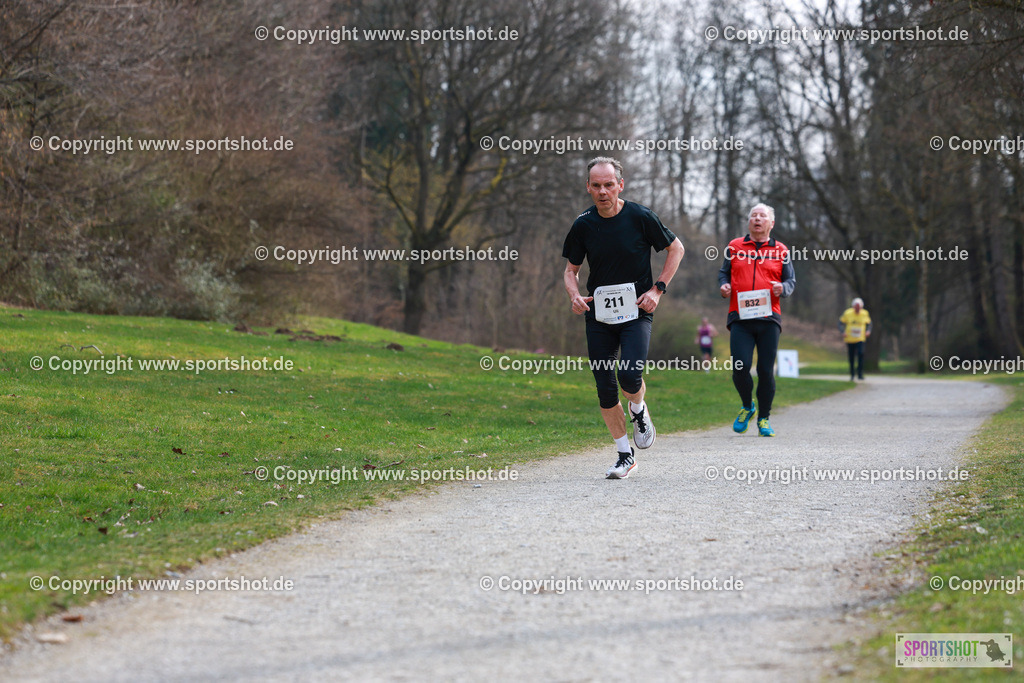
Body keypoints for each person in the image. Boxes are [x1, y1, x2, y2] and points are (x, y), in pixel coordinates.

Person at [563, 157, 684, 478]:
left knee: (629, 375)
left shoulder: (641, 217)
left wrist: (657, 289)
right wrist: (574, 295)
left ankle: (639, 409)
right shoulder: (583, 225)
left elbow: (676, 249)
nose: (603, 191)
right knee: (605, 385)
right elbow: (570, 271)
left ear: (621, 185)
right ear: (588, 187)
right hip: (599, 315)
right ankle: (623, 454)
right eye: (596, 185)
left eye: (609, 184)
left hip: (636, 312)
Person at [718, 203, 796, 437]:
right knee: (740, 367)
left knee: (765, 370)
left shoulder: (781, 250)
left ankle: (764, 418)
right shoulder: (734, 246)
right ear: (749, 221)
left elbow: (790, 280)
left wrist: (782, 287)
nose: (758, 219)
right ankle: (747, 405)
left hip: (769, 317)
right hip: (740, 317)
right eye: (754, 215)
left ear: (771, 223)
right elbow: (724, 272)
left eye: (763, 216)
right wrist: (724, 285)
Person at [839, 297, 871, 381]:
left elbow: (869, 324)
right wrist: (843, 332)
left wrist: (868, 331)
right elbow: (840, 323)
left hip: (860, 338)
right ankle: (852, 374)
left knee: (861, 354)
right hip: (849, 338)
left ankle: (860, 374)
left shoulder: (865, 313)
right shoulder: (847, 313)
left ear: (861, 307)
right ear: (853, 307)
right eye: (856, 307)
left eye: (859, 307)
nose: (858, 309)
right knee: (851, 356)